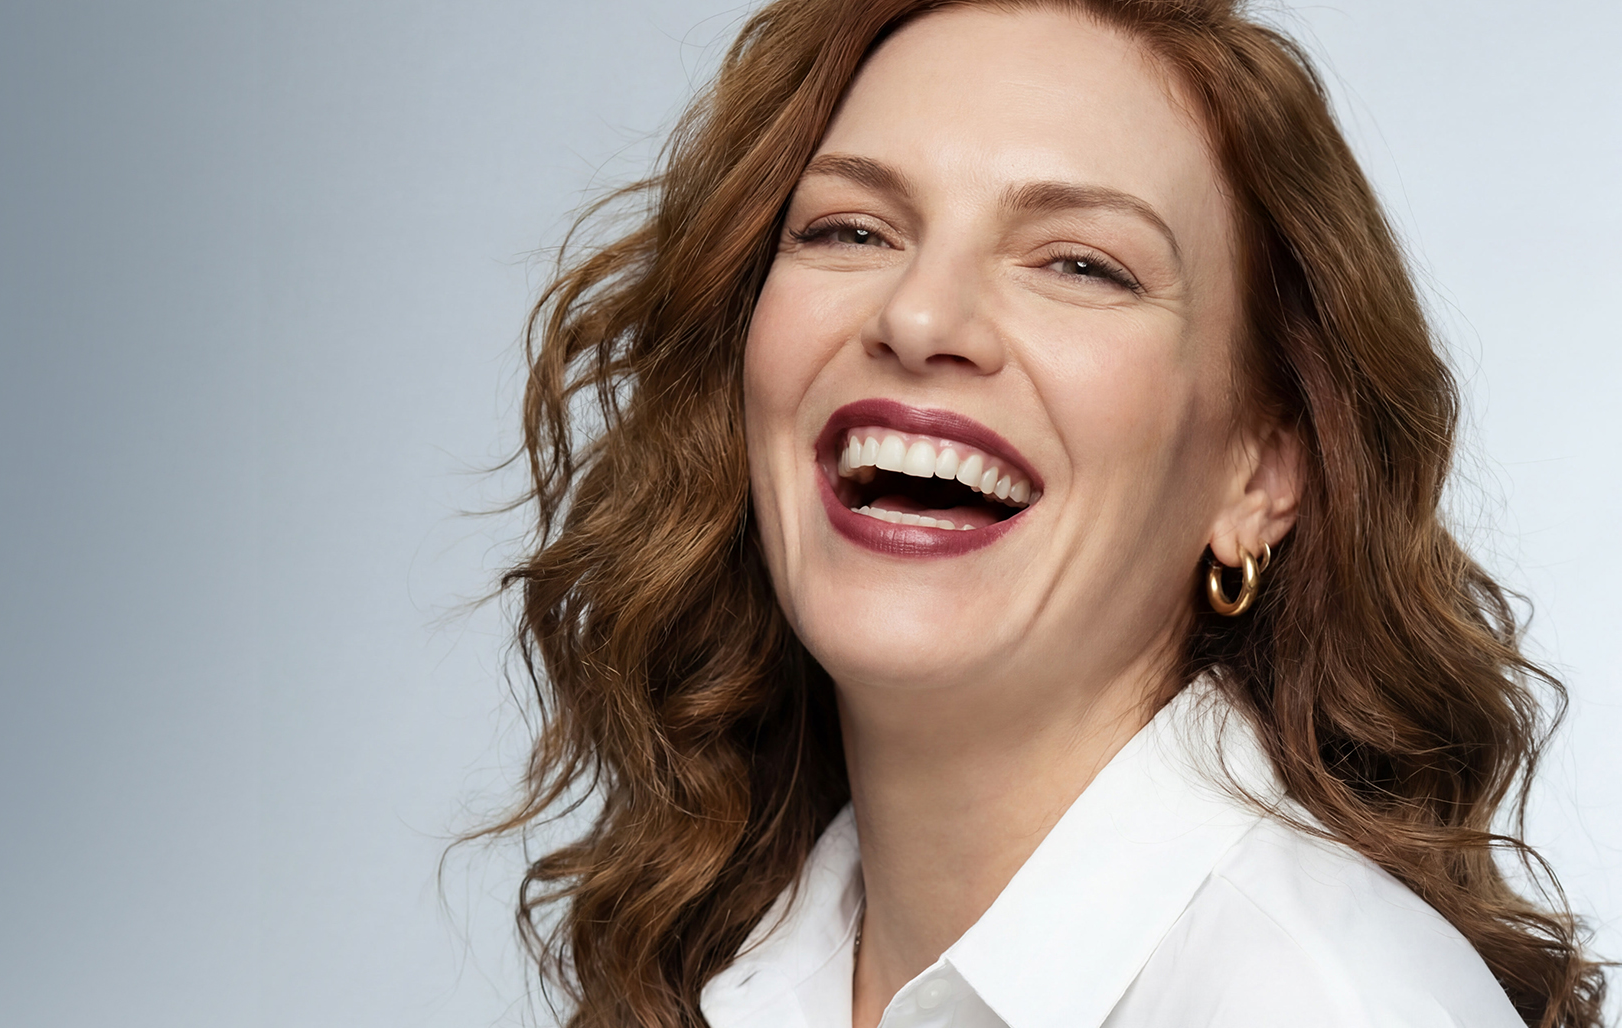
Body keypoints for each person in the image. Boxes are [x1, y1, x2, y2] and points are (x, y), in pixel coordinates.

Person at [484, 1, 1608, 1025]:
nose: (919, 314)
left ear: (1259, 473)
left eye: (1079, 263)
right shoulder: (743, 964)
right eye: (848, 230)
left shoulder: (1329, 1002)